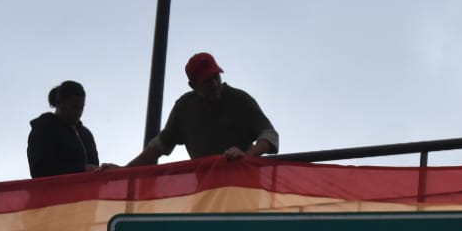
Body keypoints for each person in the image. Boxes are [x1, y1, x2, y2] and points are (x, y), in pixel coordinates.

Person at [127, 52, 280, 166]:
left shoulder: (239, 100)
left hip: (243, 185)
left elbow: (269, 135)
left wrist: (247, 155)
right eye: (207, 81)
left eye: (216, 77)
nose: (214, 84)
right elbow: (158, 147)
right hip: (206, 189)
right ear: (193, 85)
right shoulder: (184, 108)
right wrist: (123, 171)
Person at [27, 80, 108, 178]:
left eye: (81, 108)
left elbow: (95, 167)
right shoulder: (44, 127)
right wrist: (82, 170)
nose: (79, 112)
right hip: (54, 191)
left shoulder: (86, 134)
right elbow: (39, 168)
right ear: (59, 103)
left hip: (87, 191)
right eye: (74, 107)